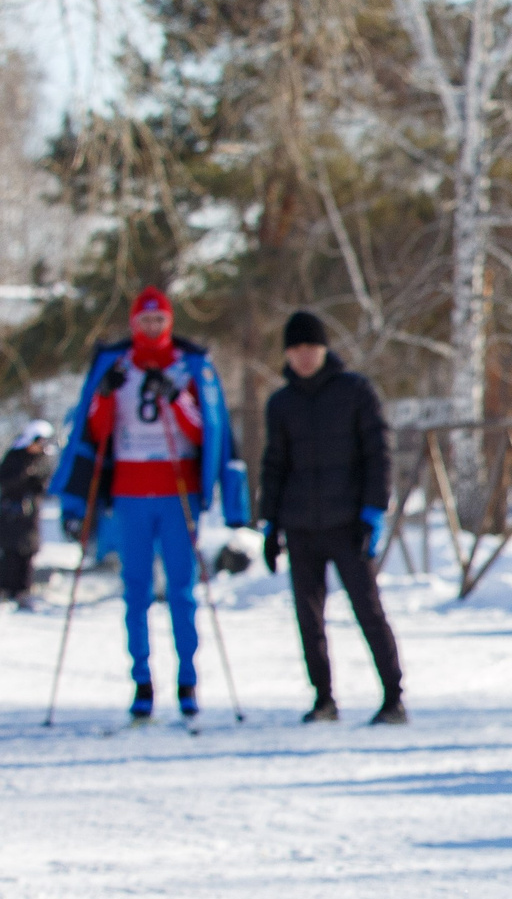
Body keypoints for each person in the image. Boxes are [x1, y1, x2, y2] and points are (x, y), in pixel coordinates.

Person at [51, 288, 251, 720]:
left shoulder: (189, 365)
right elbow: (95, 431)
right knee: (135, 589)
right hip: (129, 492)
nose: (152, 328)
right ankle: (141, 679)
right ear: (133, 324)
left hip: (178, 491)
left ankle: (188, 679)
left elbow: (205, 432)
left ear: (170, 322)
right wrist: (104, 394)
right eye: (145, 321)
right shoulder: (116, 364)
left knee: (181, 588)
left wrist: (176, 398)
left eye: (159, 320)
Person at [261, 311, 405, 725]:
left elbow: (378, 454)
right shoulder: (280, 403)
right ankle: (323, 698)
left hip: (348, 525)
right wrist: (270, 525)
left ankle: (393, 697)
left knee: (368, 610)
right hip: (300, 527)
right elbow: (274, 466)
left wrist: (372, 512)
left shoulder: (356, 392)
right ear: (287, 354)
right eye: (296, 349)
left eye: (311, 348)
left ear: (324, 349)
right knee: (309, 618)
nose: (304, 357)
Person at [2, 420, 55, 610]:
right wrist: (25, 474)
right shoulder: (15, 457)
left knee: (28, 552)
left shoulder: (42, 459)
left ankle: (23, 591)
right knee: (11, 552)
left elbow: (44, 483)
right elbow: (6, 481)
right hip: (11, 512)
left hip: (31, 514)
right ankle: (7, 589)